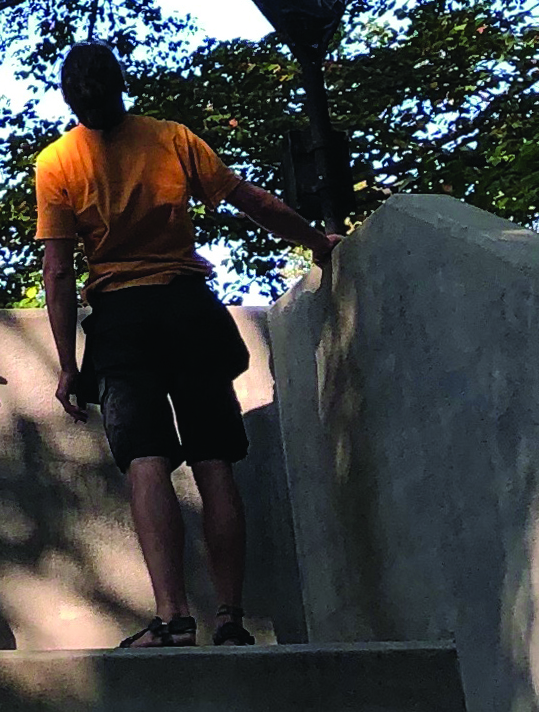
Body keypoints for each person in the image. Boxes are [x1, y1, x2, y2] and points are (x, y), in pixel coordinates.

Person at [37, 40, 336, 652]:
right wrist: (317, 241)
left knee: (145, 461)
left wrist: (68, 365)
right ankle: (230, 619)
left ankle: (172, 619)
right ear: (121, 84)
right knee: (212, 459)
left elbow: (60, 272)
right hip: (187, 309)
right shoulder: (171, 137)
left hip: (121, 321)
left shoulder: (58, 162)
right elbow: (250, 200)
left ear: (69, 98)